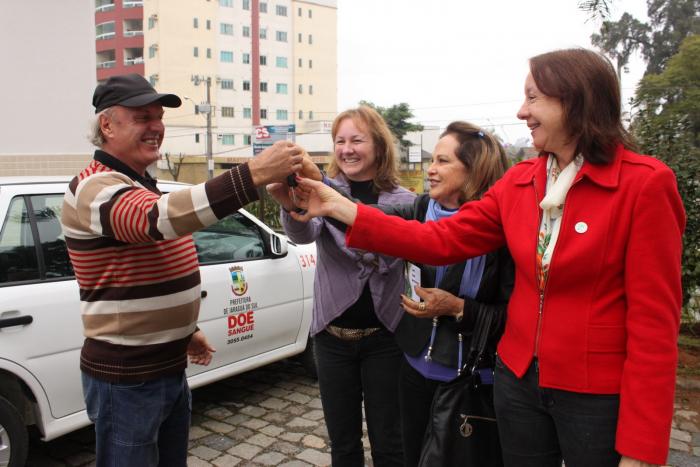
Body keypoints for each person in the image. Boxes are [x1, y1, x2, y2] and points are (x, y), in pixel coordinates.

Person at [290, 49, 685, 467]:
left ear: (573, 100)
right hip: (517, 386)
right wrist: (338, 205)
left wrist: (641, 450)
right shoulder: (520, 182)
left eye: (533, 98)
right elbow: (435, 239)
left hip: (592, 396)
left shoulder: (644, 185)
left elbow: (654, 327)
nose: (522, 112)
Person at [60, 73, 314, 467]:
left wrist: (185, 330)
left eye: (158, 117)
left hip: (165, 368)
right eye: (143, 117)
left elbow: (146, 263)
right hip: (128, 378)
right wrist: (253, 174)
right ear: (107, 125)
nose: (157, 127)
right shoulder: (94, 186)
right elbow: (156, 220)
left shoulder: (138, 183)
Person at [268, 106, 414, 466]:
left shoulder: (406, 202)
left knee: (390, 442)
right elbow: (304, 234)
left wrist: (334, 204)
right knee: (343, 444)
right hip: (331, 337)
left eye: (357, 140)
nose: (347, 149)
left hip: (385, 337)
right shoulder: (323, 190)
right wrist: (291, 207)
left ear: (379, 146)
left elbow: (394, 251)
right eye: (340, 141)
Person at [386, 122, 512, 467]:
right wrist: (321, 192)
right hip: (414, 368)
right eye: (432, 160)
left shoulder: (503, 228)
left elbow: (516, 314)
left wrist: (459, 308)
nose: (431, 169)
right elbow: (369, 220)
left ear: (472, 171)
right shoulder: (420, 209)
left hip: (471, 381)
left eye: (443, 161)